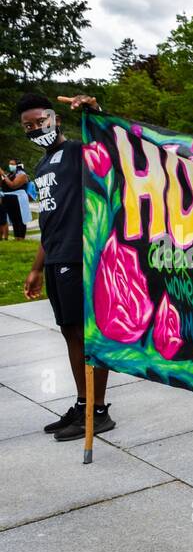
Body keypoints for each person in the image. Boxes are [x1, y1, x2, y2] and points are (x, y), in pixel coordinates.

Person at [17, 92, 117, 440]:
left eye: (40, 122)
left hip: (80, 256)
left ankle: (98, 410)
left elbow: (105, 147)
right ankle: (82, 402)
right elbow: (49, 222)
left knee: (86, 336)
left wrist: (94, 113)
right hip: (55, 257)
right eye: (27, 126)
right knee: (69, 332)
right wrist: (36, 268)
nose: (35, 129)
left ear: (54, 119)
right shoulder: (42, 166)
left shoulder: (76, 152)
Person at [0, 158, 28, 240]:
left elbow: (13, 185)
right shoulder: (10, 174)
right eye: (10, 164)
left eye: (12, 164)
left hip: (18, 199)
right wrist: (2, 176)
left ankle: (21, 237)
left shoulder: (22, 174)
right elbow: (3, 185)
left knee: (19, 218)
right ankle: (16, 237)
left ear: (17, 165)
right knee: (13, 219)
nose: (10, 166)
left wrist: (3, 175)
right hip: (8, 199)